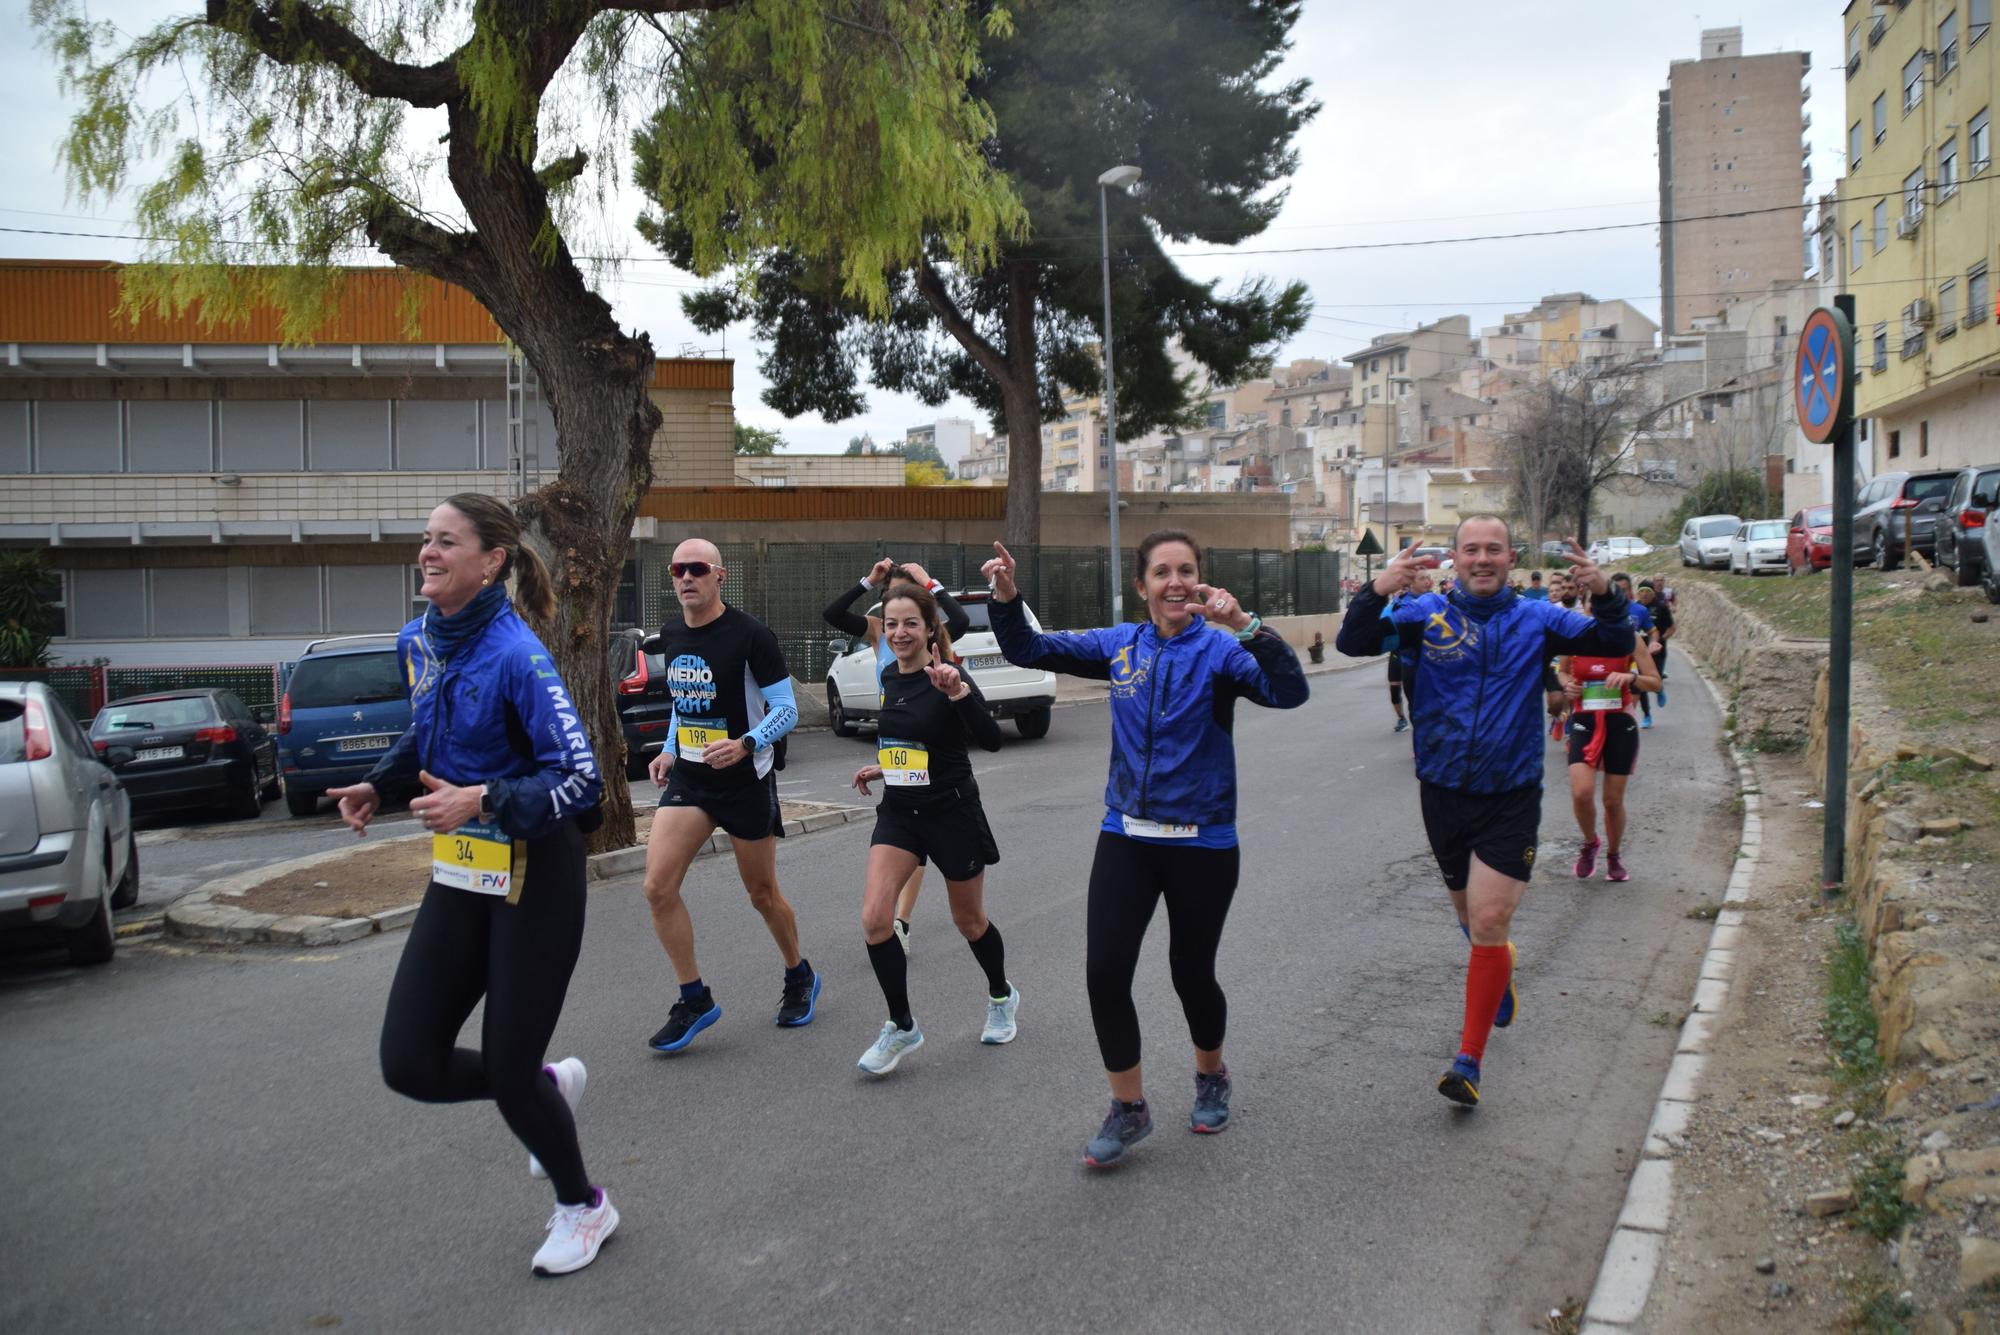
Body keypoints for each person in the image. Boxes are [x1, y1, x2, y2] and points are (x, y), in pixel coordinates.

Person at [330, 493, 613, 1277]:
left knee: (507, 1066)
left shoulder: (519, 653)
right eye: (425, 539)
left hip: (538, 872)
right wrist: (375, 785)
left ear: (491, 561)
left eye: (445, 541)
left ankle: (584, 1206)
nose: (427, 551)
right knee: (409, 1060)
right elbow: (431, 732)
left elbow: (583, 782)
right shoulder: (416, 640)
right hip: (465, 869)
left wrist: (485, 797)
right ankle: (547, 1084)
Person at [983, 532, 1309, 1168]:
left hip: (1204, 841)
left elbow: (1288, 691)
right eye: (1163, 572)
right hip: (1127, 836)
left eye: (1188, 570)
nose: (1177, 582)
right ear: (1142, 587)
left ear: (1203, 581)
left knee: (1191, 974)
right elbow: (1028, 646)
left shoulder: (1221, 649)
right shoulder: (1120, 647)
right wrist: (1006, 596)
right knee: (1105, 972)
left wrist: (1247, 625)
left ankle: (1210, 1074)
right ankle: (1129, 1108)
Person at [1336, 516, 1633, 1108]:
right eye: (1470, 549)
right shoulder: (1424, 617)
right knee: (1473, 922)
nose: (1481, 559)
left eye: (1493, 550)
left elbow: (1611, 643)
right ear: (1455, 558)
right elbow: (1353, 643)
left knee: (1491, 918)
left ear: (1509, 557)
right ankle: (1497, 967)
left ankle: (1467, 1061)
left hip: (1511, 793)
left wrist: (1604, 595)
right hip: (1441, 790)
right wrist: (1377, 590)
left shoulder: (1539, 618)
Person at [640, 539, 816, 1053]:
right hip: (692, 780)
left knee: (762, 895)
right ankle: (694, 998)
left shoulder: (751, 636)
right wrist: (670, 749)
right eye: (678, 569)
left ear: (719, 577)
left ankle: (798, 974)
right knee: (656, 888)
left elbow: (787, 710)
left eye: (697, 569)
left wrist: (747, 744)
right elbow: (682, 704)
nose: (686, 577)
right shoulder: (672, 633)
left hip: (745, 780)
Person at [845, 581, 1016, 1075]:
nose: (899, 633)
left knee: (970, 922)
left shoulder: (949, 675)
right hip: (900, 811)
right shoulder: (890, 678)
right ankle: (901, 1026)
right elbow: (915, 742)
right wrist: (885, 768)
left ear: (928, 628)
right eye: (892, 623)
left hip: (952, 812)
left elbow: (989, 740)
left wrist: (959, 692)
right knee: (876, 919)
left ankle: (1002, 996)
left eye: (910, 624)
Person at [822, 559, 972, 956]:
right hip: (895, 740)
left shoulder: (930, 636)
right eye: (891, 603)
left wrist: (930, 580)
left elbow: (959, 618)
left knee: (920, 841)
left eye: (911, 605)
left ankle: (901, 921)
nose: (900, 629)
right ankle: (896, 921)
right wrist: (866, 581)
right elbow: (832, 614)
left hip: (931, 740)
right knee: (906, 834)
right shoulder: (878, 633)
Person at [1556, 637, 1663, 883]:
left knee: (1612, 801)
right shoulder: (1573, 634)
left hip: (1620, 722)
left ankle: (1613, 855)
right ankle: (1590, 842)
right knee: (1582, 792)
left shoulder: (1629, 637)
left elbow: (1655, 683)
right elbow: (1562, 672)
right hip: (1585, 720)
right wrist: (1567, 685)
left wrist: (1631, 678)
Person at [1610, 573, 1662, 729]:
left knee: (1627, 711)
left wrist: (1653, 643)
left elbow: (1653, 631)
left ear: (1630, 591)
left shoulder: (1639, 610)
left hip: (1633, 662)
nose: (1621, 594)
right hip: (1609, 662)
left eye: (1624, 590)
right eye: (1617, 590)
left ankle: (1629, 726)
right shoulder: (1603, 609)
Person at [1637, 580, 1674, 709]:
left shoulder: (1661, 607)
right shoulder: (1634, 608)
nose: (1644, 594)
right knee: (1640, 683)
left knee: (1655, 679)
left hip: (1658, 651)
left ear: (1653, 594)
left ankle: (1659, 689)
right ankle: (1647, 715)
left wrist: (1661, 639)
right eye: (1641, 591)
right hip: (1639, 652)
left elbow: (1672, 627)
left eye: (1648, 591)